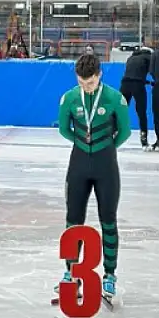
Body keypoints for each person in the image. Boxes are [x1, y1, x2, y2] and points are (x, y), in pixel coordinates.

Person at [56, 53, 131, 303]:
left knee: (108, 219)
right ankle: (70, 273)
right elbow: (64, 129)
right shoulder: (69, 98)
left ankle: (110, 274)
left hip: (105, 167)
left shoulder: (115, 99)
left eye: (89, 83)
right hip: (78, 164)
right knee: (73, 221)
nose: (85, 87)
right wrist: (83, 145)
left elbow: (125, 131)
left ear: (99, 75)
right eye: (81, 82)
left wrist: (105, 147)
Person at [119, 43, 154, 149]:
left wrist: (148, 83)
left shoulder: (131, 57)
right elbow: (151, 72)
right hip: (138, 85)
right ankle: (144, 139)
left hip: (125, 84)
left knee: (119, 110)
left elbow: (133, 74)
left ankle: (111, 132)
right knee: (141, 112)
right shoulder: (149, 57)